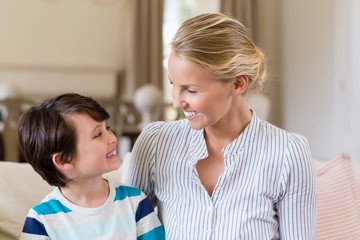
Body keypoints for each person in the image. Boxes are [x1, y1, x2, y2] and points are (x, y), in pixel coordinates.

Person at [126, 13, 316, 239]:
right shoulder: (155, 142)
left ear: (238, 83)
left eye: (191, 90)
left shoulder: (288, 153)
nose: (177, 101)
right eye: (173, 85)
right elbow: (125, 229)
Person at [18, 93, 165, 240]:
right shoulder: (40, 220)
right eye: (98, 134)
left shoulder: (135, 201)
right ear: (64, 160)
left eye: (107, 128)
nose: (112, 138)